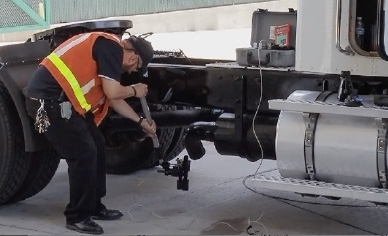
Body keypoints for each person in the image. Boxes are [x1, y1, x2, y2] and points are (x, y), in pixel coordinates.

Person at [24, 31, 157, 235]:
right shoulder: (111, 47)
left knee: (96, 145)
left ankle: (94, 206)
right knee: (83, 153)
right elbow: (114, 92)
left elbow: (112, 98)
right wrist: (134, 90)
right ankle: (77, 216)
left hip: (66, 102)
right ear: (133, 56)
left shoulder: (108, 48)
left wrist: (140, 122)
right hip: (48, 101)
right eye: (137, 66)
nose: (132, 71)